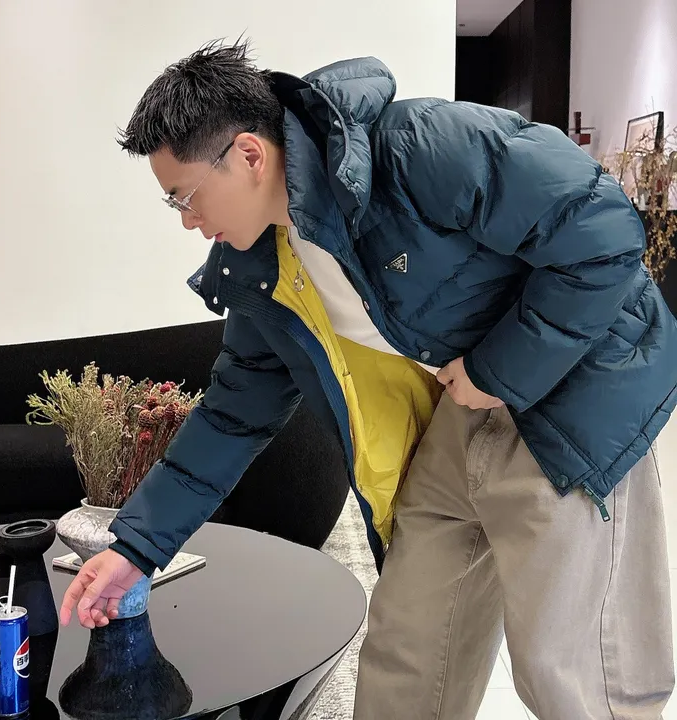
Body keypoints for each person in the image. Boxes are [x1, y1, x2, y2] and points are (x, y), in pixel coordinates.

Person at [59, 39, 677, 719]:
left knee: (571, 677)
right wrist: (137, 548)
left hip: (574, 394)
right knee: (404, 657)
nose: (187, 221)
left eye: (185, 196)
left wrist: (496, 373)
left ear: (249, 155)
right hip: (461, 410)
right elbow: (232, 415)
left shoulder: (420, 147)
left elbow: (602, 231)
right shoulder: (263, 269)